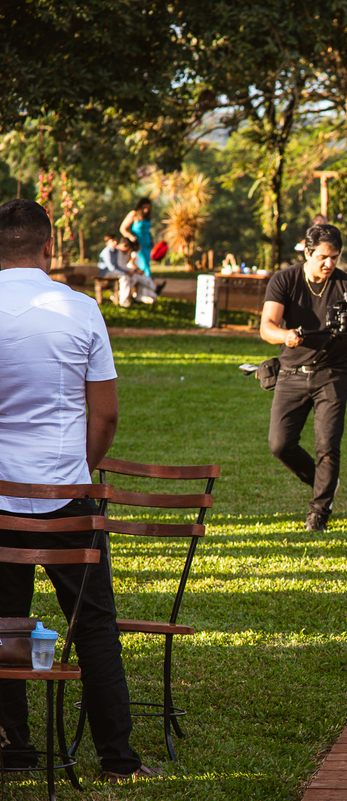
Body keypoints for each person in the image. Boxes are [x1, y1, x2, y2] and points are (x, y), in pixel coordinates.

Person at [0, 199, 157, 783]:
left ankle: (16, 749)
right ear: (49, 247)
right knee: (92, 626)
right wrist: (79, 470)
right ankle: (118, 760)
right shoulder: (81, 308)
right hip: (67, 490)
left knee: (4, 624)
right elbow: (106, 414)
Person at [260, 224, 347, 532]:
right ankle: (324, 482)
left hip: (332, 372)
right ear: (307, 252)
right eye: (323, 257)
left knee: (327, 443)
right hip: (291, 372)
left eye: (335, 257)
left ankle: (319, 512)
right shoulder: (285, 280)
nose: (329, 264)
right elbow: (267, 326)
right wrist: (284, 335)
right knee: (280, 444)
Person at [97, 233, 157, 306]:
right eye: (112, 241)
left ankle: (124, 297)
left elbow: (118, 266)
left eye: (115, 240)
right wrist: (125, 272)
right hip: (107, 272)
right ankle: (123, 301)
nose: (115, 242)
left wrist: (128, 271)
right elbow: (111, 267)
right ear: (107, 243)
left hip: (113, 271)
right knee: (125, 277)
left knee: (132, 277)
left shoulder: (115, 251)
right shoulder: (107, 251)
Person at [119, 197, 154, 279]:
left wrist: (151, 239)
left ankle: (148, 284)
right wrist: (132, 238)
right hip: (138, 246)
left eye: (148, 208)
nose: (146, 210)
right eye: (144, 208)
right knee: (143, 266)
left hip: (147, 245)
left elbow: (147, 231)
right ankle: (148, 283)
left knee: (147, 264)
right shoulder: (134, 214)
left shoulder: (147, 217)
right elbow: (123, 229)